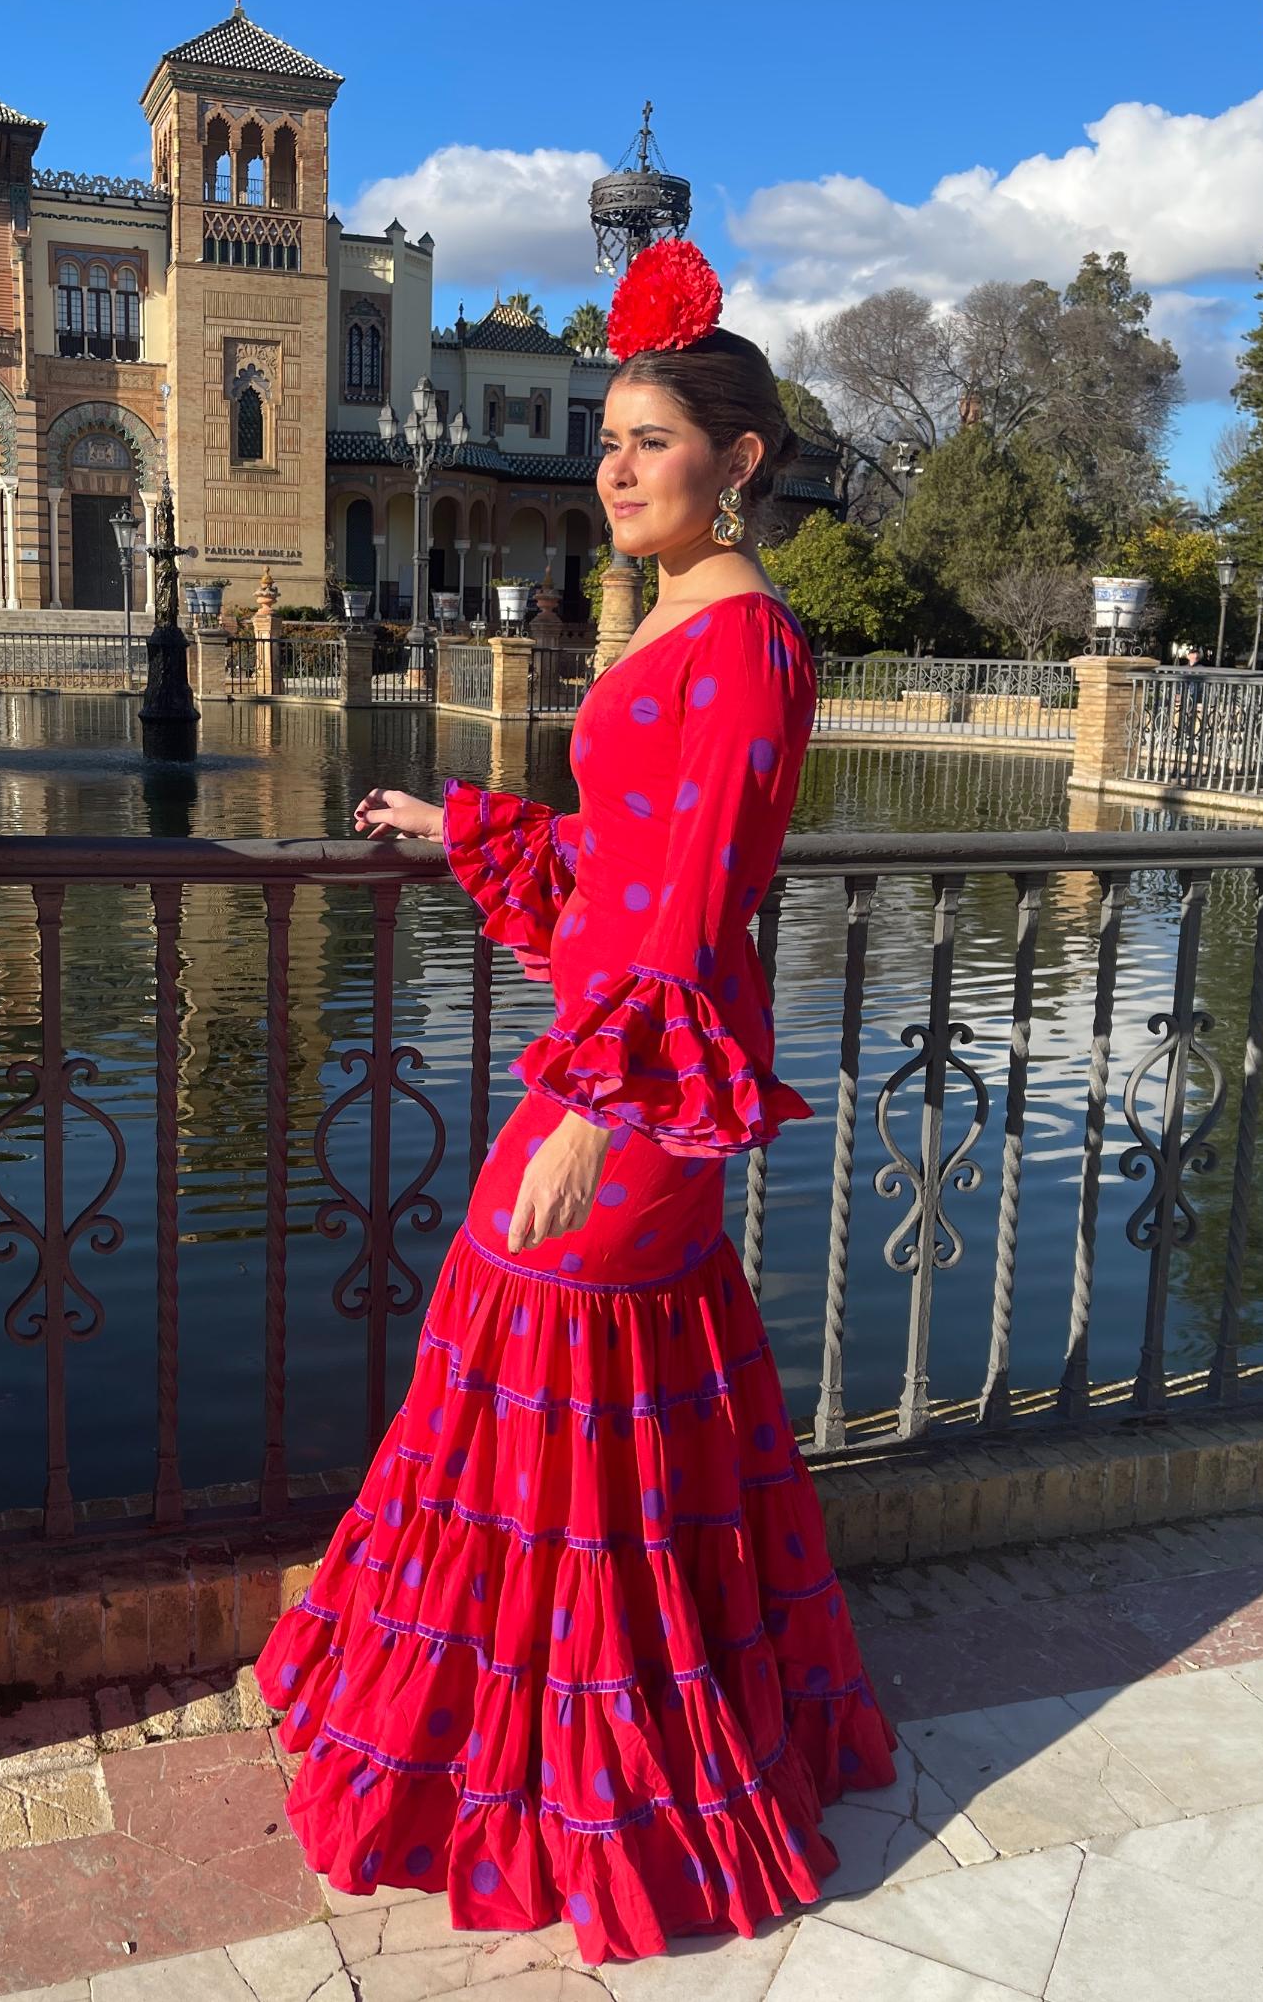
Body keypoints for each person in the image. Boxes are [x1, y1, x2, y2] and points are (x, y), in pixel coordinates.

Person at [252, 240, 898, 1964]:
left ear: (738, 462)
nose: (613, 466)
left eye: (646, 440)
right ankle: (520, 1726)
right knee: (568, 1389)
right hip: (631, 1057)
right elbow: (623, 860)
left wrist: (603, 1114)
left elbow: (688, 909)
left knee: (543, 1360)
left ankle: (595, 1769)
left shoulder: (746, 642)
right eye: (604, 439)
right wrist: (465, 825)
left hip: (637, 1084)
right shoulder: (677, 618)